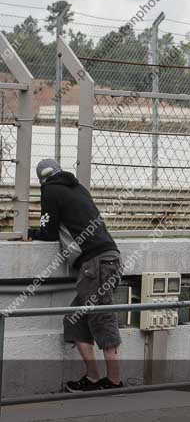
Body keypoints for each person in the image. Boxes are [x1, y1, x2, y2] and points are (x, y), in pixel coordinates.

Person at [28, 159, 124, 392]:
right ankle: (93, 379)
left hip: (96, 263)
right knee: (75, 319)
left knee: (102, 319)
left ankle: (114, 383)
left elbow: (49, 232)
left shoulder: (50, 190)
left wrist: (31, 232)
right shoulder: (78, 187)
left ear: (42, 179)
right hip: (106, 259)